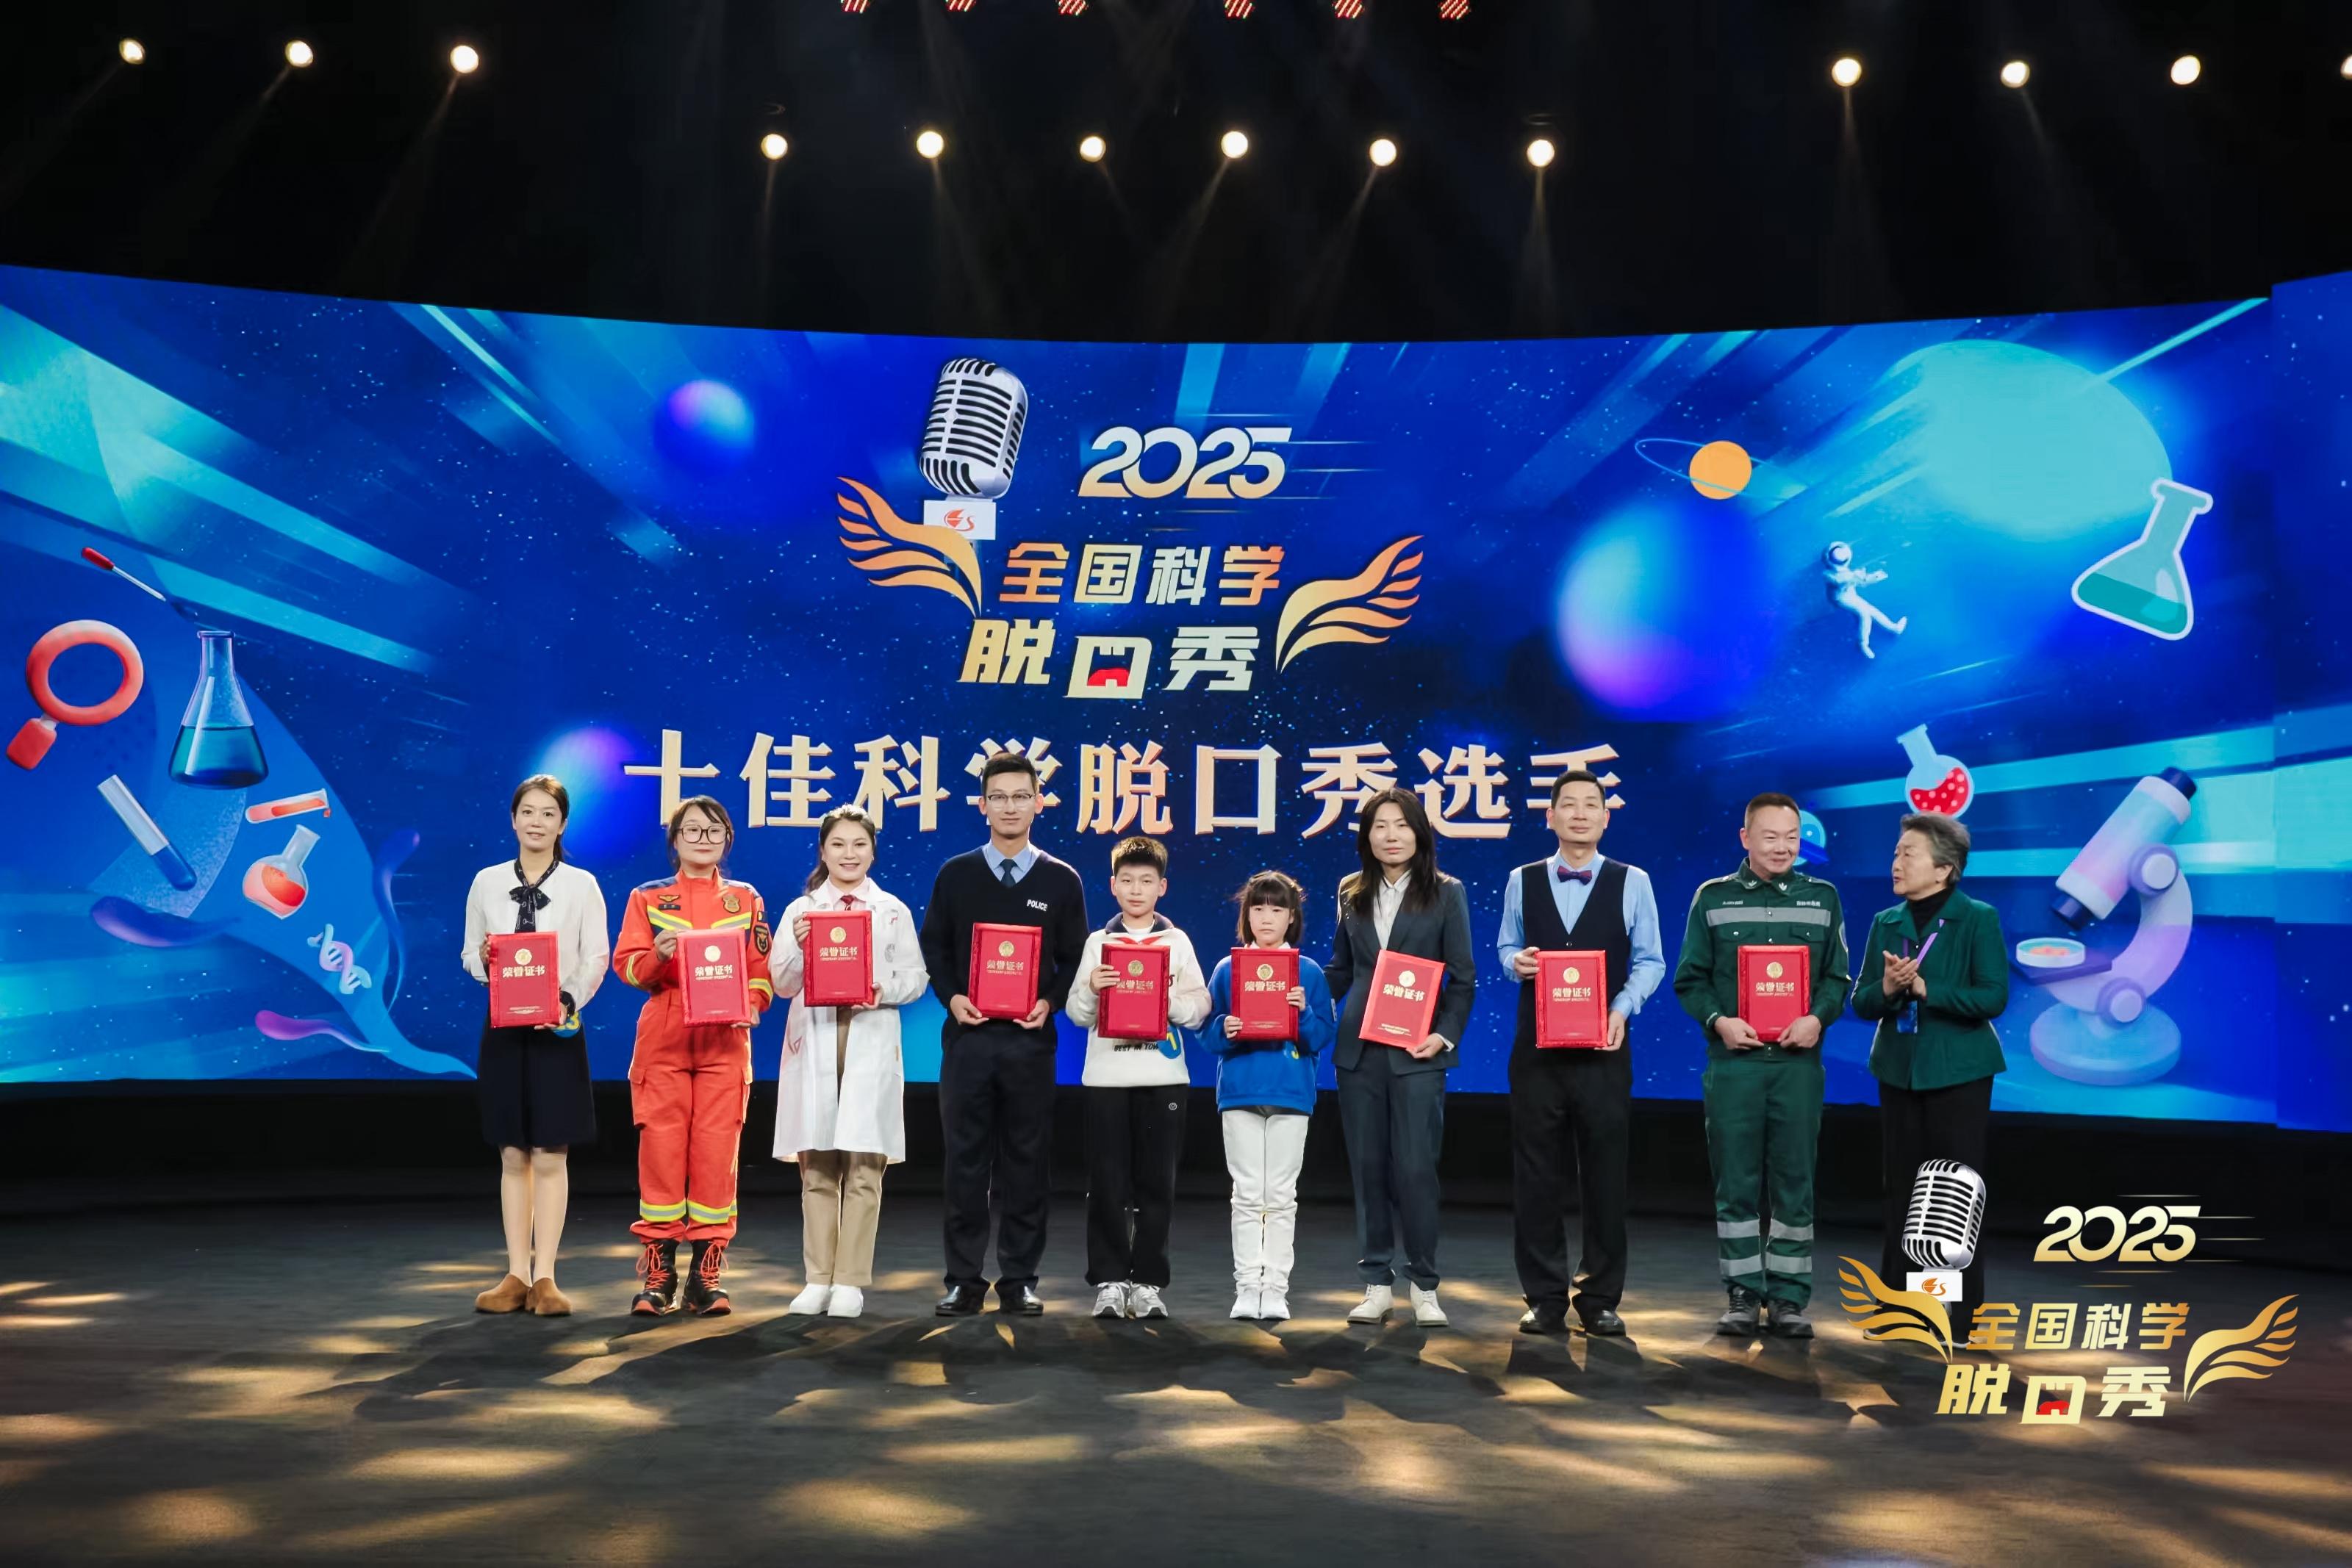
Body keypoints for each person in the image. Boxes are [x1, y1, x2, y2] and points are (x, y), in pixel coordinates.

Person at [917, 752, 1090, 1316]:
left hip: (1029, 1044)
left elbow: (1075, 957)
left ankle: (1019, 1279)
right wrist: (952, 997)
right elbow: (934, 948)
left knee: (1027, 1162)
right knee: (964, 1163)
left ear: (1039, 803)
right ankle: (963, 1280)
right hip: (968, 1042)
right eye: (999, 797)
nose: (1010, 807)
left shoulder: (1061, 879)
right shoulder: (956, 874)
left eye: (1020, 796)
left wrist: (1050, 1001)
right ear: (982, 805)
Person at [1673, 791, 1852, 1339]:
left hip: (1798, 1067)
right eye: (1770, 837)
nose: (1782, 847)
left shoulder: (1823, 897)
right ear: (1745, 838)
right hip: (1735, 1065)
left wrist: (1817, 1018)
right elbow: (1690, 980)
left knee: (1796, 1180)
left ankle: (1790, 1299)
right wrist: (1719, 1021)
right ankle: (1743, 1294)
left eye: (1792, 838)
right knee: (1737, 1182)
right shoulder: (1713, 898)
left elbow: (1837, 978)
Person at [1495, 769, 1665, 1337]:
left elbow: (1651, 960)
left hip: (1604, 1052)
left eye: (1591, 804)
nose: (1580, 814)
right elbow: (1506, 947)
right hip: (1537, 1054)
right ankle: (1544, 1297)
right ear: (1550, 816)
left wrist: (1623, 1008)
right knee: (1536, 1175)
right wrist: (1516, 963)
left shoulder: (1633, 881)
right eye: (1568, 804)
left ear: (1606, 817)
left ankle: (1600, 1297)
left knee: (1605, 1175)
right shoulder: (1521, 879)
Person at [611, 796, 774, 1317]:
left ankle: (707, 1273)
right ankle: (659, 1274)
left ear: (727, 840)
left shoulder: (746, 899)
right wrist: (657, 956)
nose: (704, 839)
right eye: (693, 830)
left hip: (725, 1039)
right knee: (661, 1151)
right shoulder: (647, 896)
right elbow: (627, 966)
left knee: (715, 1153)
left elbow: (760, 969)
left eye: (714, 831)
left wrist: (752, 1006)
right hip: (666, 1033)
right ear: (675, 840)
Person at [1325, 787, 1479, 1328]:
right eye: (1379, 826)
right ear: (1367, 836)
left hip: (1418, 1052)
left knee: (1416, 1170)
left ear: (1419, 833)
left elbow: (1463, 979)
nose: (1391, 836)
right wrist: (1295, 994)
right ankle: (1375, 1283)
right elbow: (1341, 969)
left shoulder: (1447, 892)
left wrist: (1444, 1036)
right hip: (1360, 1053)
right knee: (1367, 1169)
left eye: (1401, 825)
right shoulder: (1351, 891)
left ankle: (1425, 1285)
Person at [1852, 813, 2009, 1335]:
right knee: (1901, 1190)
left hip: (1959, 1072)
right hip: (1899, 1070)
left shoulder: (1977, 918)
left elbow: (1993, 997)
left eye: (1908, 854)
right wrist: (1889, 990)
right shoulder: (1886, 922)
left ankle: (1948, 1313)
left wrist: (1926, 991)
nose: (1896, 863)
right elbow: (1862, 1001)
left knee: (1948, 1198)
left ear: (1944, 870)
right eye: (1896, 853)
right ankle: (1900, 1308)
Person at [772, 805, 929, 1321]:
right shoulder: (801, 911)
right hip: (816, 1036)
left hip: (869, 1032)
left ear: (873, 851)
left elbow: (916, 978)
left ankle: (850, 1281)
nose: (849, 854)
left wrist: (883, 989)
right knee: (817, 1164)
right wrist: (800, 949)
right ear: (823, 851)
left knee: (864, 1166)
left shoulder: (891, 910)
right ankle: (817, 1277)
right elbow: (781, 983)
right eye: (838, 844)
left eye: (859, 844)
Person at [461, 774, 609, 1317]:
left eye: (548, 813)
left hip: (558, 1030)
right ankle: (515, 1275)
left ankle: (545, 1275)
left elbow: (596, 957)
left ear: (562, 824)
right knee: (512, 1153)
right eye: (528, 811)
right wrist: (484, 962)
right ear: (513, 819)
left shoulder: (582, 885)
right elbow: (469, 955)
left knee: (550, 1152)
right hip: (504, 1028)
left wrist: (566, 999)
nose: (537, 822)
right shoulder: (486, 882)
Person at [1064, 836, 1213, 1320]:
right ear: (1113, 885)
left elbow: (1200, 1007)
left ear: (1162, 887)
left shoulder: (1177, 942)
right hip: (1106, 1080)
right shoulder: (1098, 944)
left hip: (1162, 1077)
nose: (1135, 889)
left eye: (1146, 881)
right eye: (1126, 880)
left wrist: (1164, 1000)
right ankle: (1110, 1281)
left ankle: (1148, 1283)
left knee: (1156, 1185)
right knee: (1107, 1184)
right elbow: (1076, 1013)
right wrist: (1093, 988)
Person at [1203, 870, 1336, 1323]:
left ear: (1292, 917)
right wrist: (1224, 1028)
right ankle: (1246, 1287)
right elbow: (1207, 1032)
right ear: (1246, 915)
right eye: (1258, 908)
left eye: (1277, 909)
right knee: (1246, 1194)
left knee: (1280, 1195)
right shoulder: (1228, 969)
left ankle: (1276, 1288)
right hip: (1241, 1091)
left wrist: (1302, 1014)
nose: (1266, 917)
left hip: (1290, 1092)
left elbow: (1322, 1036)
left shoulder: (1308, 972)